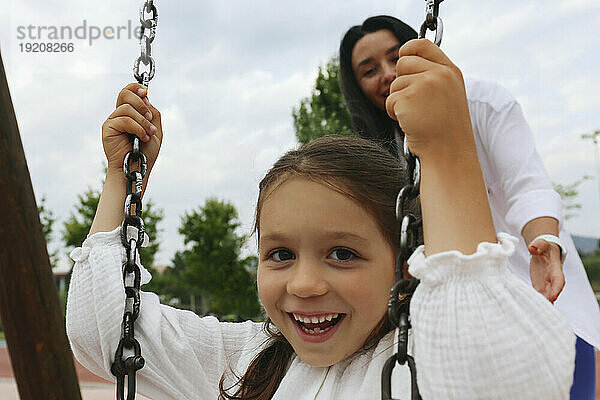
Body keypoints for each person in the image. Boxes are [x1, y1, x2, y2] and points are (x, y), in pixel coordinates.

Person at [66, 40, 575, 399]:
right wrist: (121, 178)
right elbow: (105, 328)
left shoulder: (423, 364)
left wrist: (447, 151)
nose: (305, 284)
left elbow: (507, 380)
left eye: (343, 253)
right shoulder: (247, 362)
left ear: (404, 266)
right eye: (281, 254)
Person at [339, 15, 599, 398]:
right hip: (457, 308)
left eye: (396, 58)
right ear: (358, 86)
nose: (388, 74)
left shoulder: (482, 103)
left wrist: (543, 240)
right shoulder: (384, 152)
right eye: (369, 70)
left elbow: (527, 184)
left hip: (532, 278)